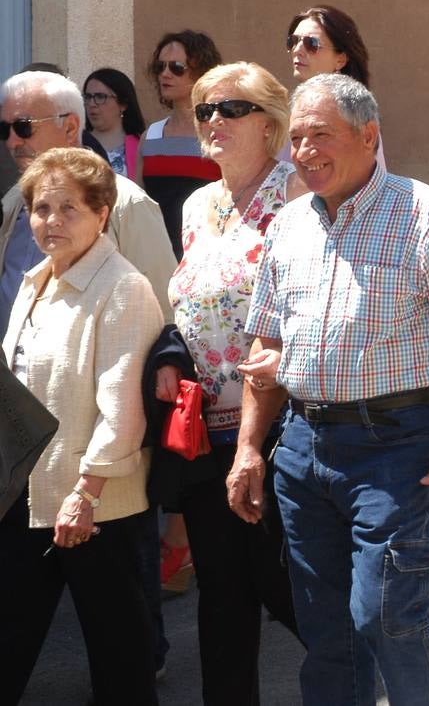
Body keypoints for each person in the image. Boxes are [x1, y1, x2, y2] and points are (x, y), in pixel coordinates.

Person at [227, 73, 429, 705]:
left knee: (388, 617)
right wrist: (248, 447)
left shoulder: (425, 215)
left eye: (320, 134)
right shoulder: (289, 225)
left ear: (368, 136)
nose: (304, 150)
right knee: (325, 631)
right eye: (296, 138)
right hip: (301, 446)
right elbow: (264, 347)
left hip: (395, 448)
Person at [159, 62, 304, 704]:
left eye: (231, 109)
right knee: (221, 598)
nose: (214, 120)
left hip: (278, 425)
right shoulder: (197, 205)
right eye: (206, 110)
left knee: (288, 587)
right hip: (204, 433)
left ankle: (375, 683)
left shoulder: (296, 194)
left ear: (270, 123)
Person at [0, 148, 164, 705]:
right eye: (41, 208)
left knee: (120, 656)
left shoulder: (123, 288)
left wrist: (86, 493)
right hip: (27, 494)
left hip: (93, 505)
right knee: (9, 636)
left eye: (68, 208)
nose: (51, 221)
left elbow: (121, 408)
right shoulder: (34, 280)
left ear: (102, 211)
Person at [0, 71, 176, 334]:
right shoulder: (14, 200)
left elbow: (163, 307)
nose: (13, 141)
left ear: (70, 127)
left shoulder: (127, 202)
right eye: (4, 129)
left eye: (24, 127)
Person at [139, 29, 224, 259]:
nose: (165, 74)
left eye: (176, 67)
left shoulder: (218, 134)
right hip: (157, 255)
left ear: (201, 74)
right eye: (160, 67)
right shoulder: (150, 137)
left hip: (206, 253)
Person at [288, 4, 384, 168]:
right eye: (293, 41)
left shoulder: (353, 113)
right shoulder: (290, 111)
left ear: (340, 59)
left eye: (311, 44)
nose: (297, 50)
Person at [82, 67, 148, 180]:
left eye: (100, 97)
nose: (92, 104)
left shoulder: (142, 145)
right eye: (88, 97)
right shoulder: (77, 143)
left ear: (123, 104)